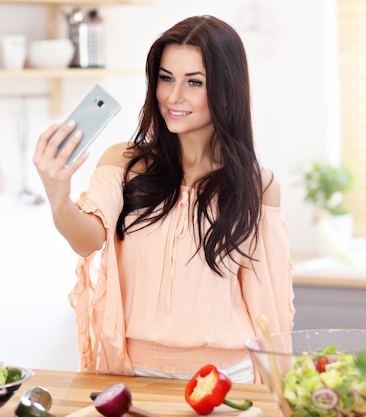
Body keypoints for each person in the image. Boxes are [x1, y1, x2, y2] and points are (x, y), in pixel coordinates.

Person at [33, 15, 294, 384]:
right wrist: (58, 197)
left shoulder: (258, 185)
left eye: (195, 83)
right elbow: (87, 239)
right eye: (166, 78)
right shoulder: (125, 162)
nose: (174, 96)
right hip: (133, 375)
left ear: (226, 89)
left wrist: (281, 395)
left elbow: (268, 306)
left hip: (227, 378)